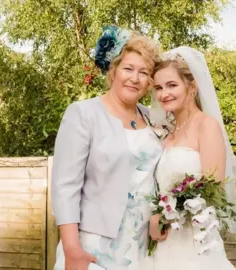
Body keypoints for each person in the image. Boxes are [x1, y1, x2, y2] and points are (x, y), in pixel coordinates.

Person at [51, 26, 163, 270]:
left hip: (142, 245)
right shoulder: (83, 113)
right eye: (128, 69)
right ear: (113, 71)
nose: (135, 78)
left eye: (144, 72)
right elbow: (65, 186)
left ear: (149, 82)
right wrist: (72, 250)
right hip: (94, 245)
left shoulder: (153, 118)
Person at [148, 46, 236, 269]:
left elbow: (213, 186)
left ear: (191, 87)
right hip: (164, 244)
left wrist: (163, 215)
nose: (164, 94)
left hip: (194, 242)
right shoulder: (168, 133)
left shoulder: (206, 126)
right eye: (159, 88)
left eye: (172, 85)